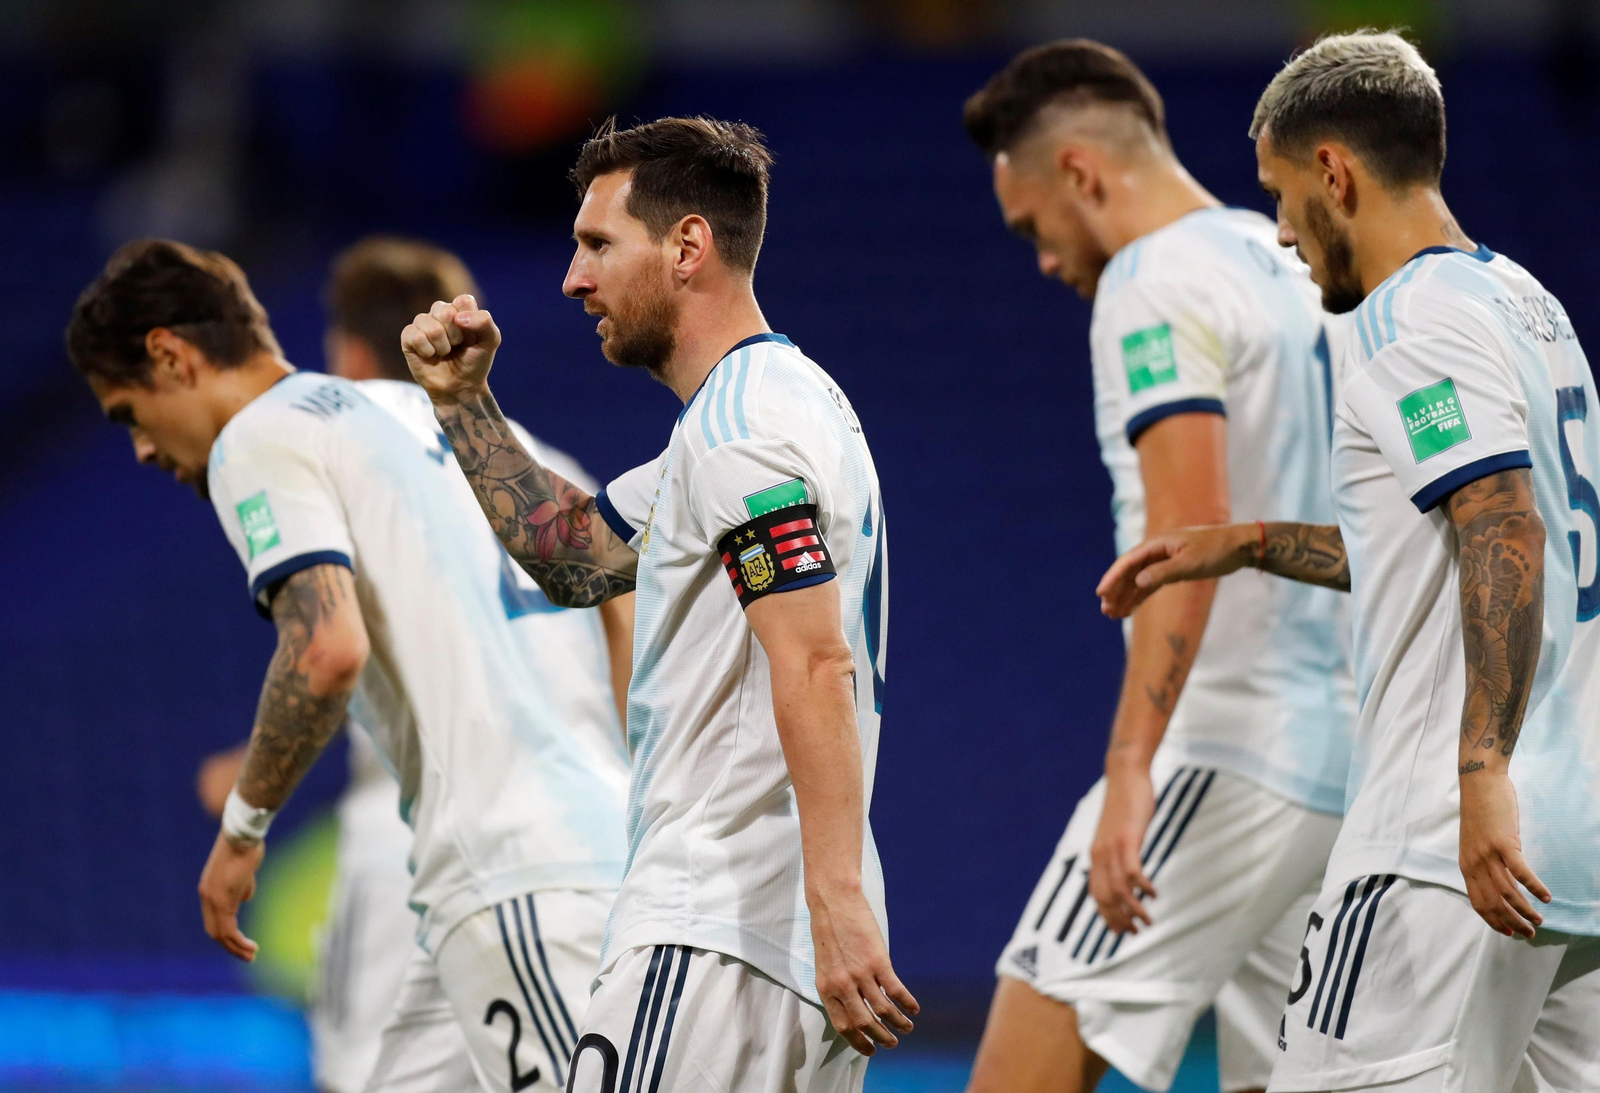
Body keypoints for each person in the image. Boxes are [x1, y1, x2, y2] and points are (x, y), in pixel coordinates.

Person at [1097, 30, 1600, 1093]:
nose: (1280, 232)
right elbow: (1457, 533)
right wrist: (1250, 543)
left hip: (1443, 841)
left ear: (1334, 172)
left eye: (1280, 195)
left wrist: (1476, 771)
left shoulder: (1407, 320)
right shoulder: (1523, 304)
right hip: (1575, 838)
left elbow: (1499, 523)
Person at [400, 115, 913, 1093]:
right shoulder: (774, 409)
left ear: (686, 246)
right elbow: (573, 556)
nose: (572, 279)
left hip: (715, 930)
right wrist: (465, 404)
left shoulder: (739, 431)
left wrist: (836, 899)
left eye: (597, 245)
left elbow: (812, 661)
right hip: (773, 940)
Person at [65, 238, 631, 1093]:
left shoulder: (257, 437)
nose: (141, 448)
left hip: (516, 868)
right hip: (521, 853)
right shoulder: (420, 417)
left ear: (170, 356)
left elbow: (326, 649)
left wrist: (243, 830)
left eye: (126, 414)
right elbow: (619, 590)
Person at [959, 40, 1355, 1093]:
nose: (1043, 260)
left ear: (1081, 173)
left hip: (1226, 747)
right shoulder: (1290, 259)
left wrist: (1133, 765)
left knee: (1016, 1068)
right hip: (1345, 763)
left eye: (1033, 225)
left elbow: (1191, 531)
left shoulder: (1150, 278)